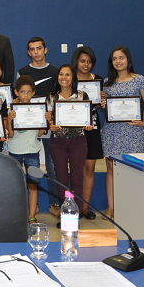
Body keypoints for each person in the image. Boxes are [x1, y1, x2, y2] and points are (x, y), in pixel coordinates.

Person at [101, 46, 144, 218]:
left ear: (128, 59)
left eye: (121, 57)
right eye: (114, 59)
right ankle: (111, 207)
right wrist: (104, 105)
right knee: (111, 169)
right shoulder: (107, 82)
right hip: (112, 131)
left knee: (134, 168)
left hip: (133, 130)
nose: (118, 61)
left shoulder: (139, 80)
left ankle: (134, 207)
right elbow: (107, 107)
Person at [17, 37, 60, 217]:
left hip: (47, 126)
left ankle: (54, 204)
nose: (36, 52)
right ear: (28, 52)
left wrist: (51, 119)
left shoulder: (55, 72)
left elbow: (58, 100)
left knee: (52, 167)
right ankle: (31, 207)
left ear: (45, 50)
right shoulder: (22, 72)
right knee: (27, 166)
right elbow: (17, 100)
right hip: (27, 130)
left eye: (39, 48)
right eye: (32, 49)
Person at [46, 64, 92, 224]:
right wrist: (51, 125)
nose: (63, 77)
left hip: (78, 142)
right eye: (61, 74)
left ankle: (75, 216)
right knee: (61, 179)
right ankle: (65, 215)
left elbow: (90, 117)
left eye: (67, 74)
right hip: (57, 142)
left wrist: (89, 124)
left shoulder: (82, 95)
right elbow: (49, 120)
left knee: (77, 178)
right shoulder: (51, 96)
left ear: (73, 77)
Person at [72, 46, 106, 220]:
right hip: (73, 128)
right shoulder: (69, 78)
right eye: (82, 61)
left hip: (92, 127)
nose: (86, 64)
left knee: (90, 168)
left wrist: (102, 100)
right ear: (76, 62)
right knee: (76, 169)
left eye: (89, 61)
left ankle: (85, 207)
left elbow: (99, 105)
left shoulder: (97, 80)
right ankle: (75, 206)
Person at [7, 75, 44, 222]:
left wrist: (46, 121)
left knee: (33, 185)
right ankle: (16, 215)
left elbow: (40, 133)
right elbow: (10, 134)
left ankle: (32, 216)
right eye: (22, 92)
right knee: (15, 185)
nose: (26, 95)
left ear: (33, 92)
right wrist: (9, 120)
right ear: (16, 92)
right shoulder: (12, 110)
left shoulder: (38, 109)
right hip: (15, 150)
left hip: (32, 151)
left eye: (29, 92)